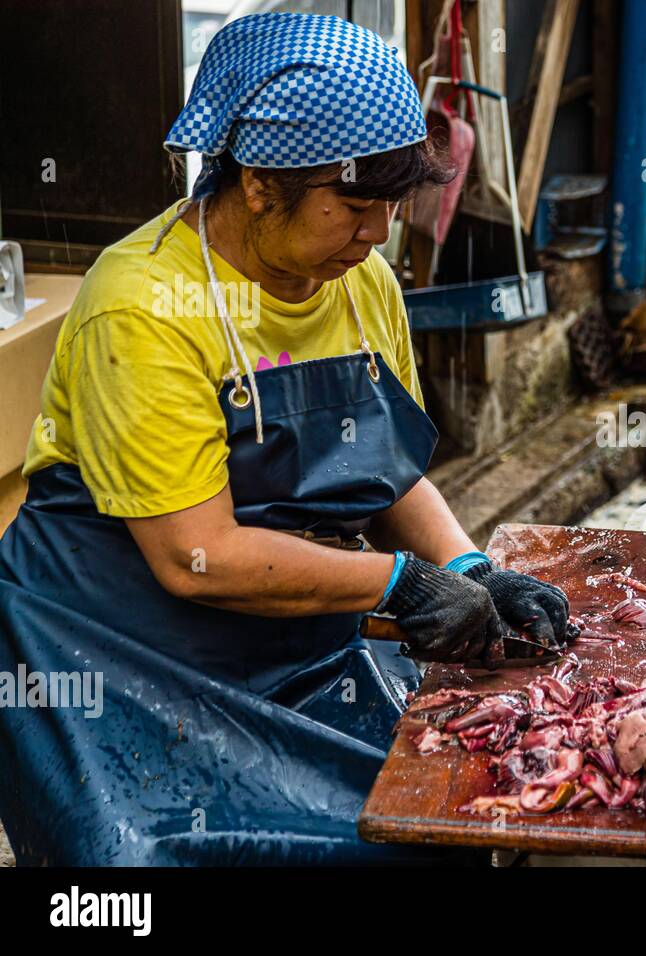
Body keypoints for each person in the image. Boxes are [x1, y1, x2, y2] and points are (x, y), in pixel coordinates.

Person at [0, 12, 568, 865]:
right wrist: (401, 588)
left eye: (391, 206)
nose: (379, 234)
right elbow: (198, 556)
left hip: (297, 640)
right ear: (261, 183)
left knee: (431, 830)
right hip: (114, 656)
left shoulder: (363, 282)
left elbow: (387, 477)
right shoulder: (143, 306)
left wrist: (468, 568)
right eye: (353, 205)